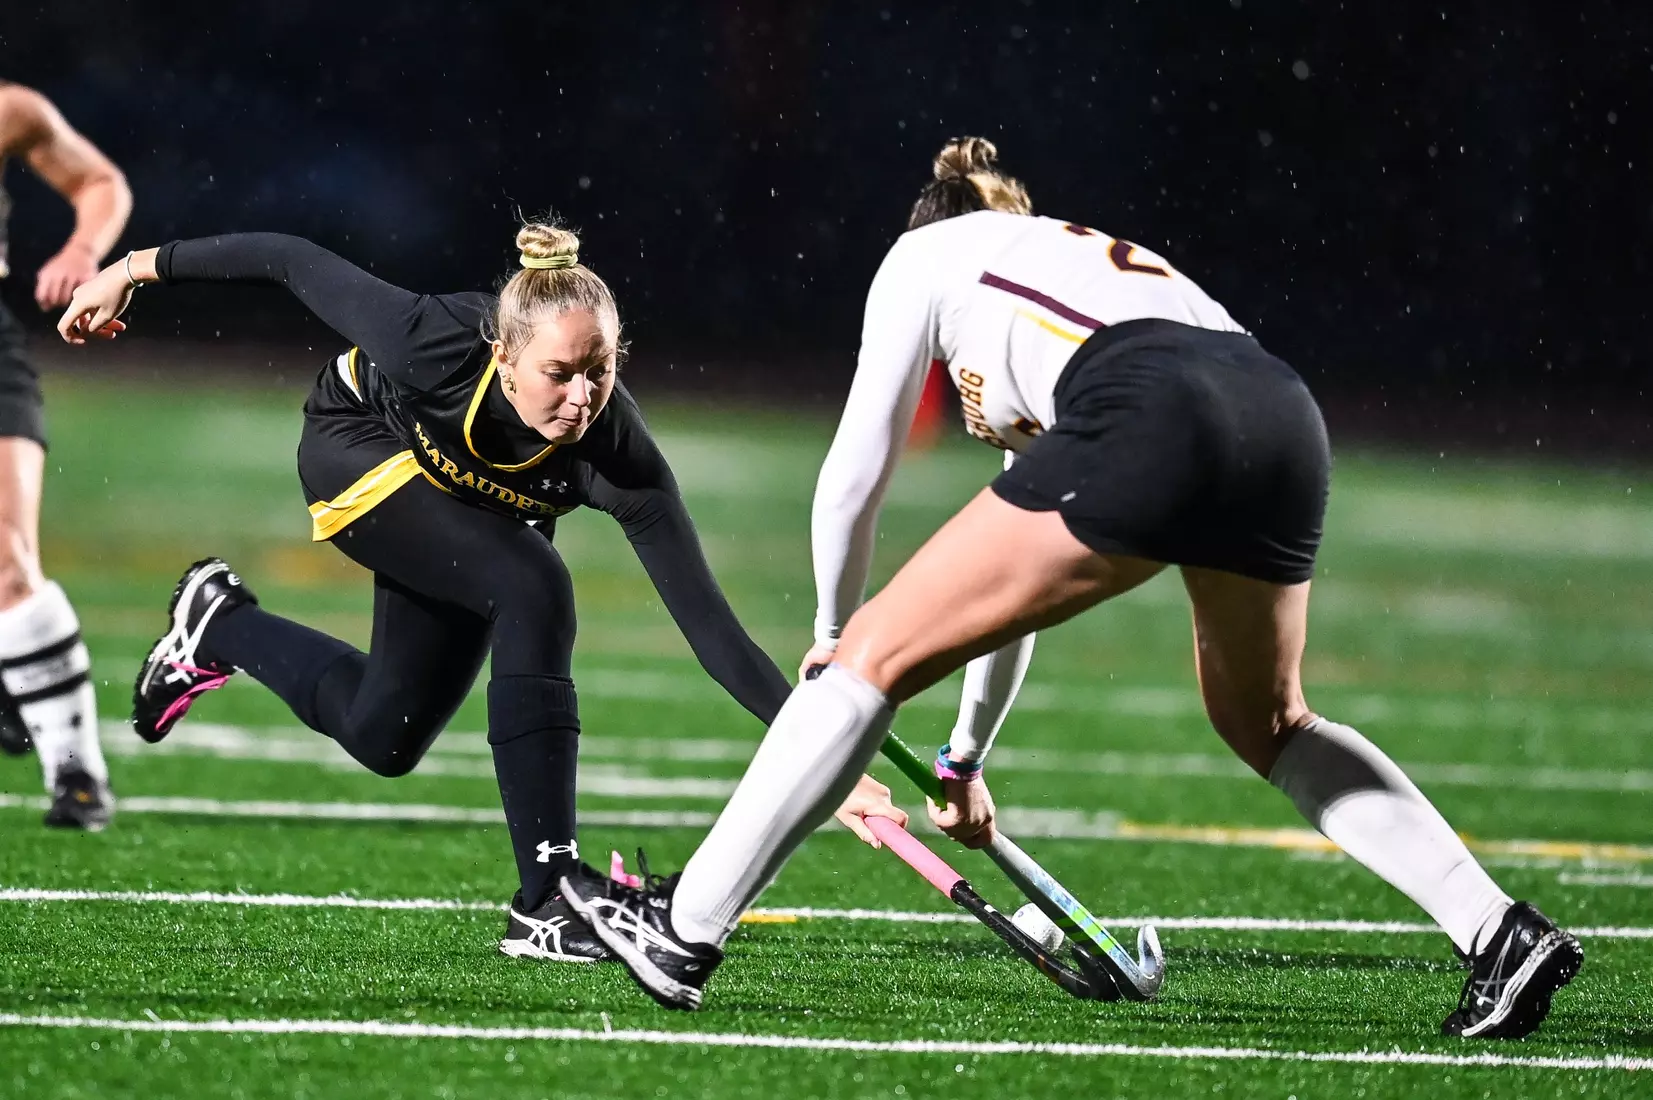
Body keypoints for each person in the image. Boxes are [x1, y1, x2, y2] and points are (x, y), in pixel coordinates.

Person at [559, 138, 1583, 1038]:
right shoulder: (1066, 272)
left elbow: (856, 468)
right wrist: (963, 755)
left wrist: (835, 634)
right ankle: (1498, 929)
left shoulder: (926, 252)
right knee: (1267, 718)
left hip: (1156, 404)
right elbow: (1015, 589)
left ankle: (682, 930)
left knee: (873, 654)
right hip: (1281, 414)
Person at [57, 220, 903, 961]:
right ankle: (544, 900)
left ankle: (219, 623)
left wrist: (825, 763)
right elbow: (287, 257)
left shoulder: (621, 459)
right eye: (559, 372)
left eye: (599, 373)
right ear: (503, 356)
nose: (579, 398)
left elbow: (716, 636)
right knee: (533, 582)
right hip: (356, 443)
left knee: (381, 735)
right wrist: (128, 271)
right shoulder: (433, 342)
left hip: (457, 504)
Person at [0, 80, 131, 829]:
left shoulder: (9, 111)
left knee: (10, 564)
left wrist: (83, 248)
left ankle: (76, 775)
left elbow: (98, 180)